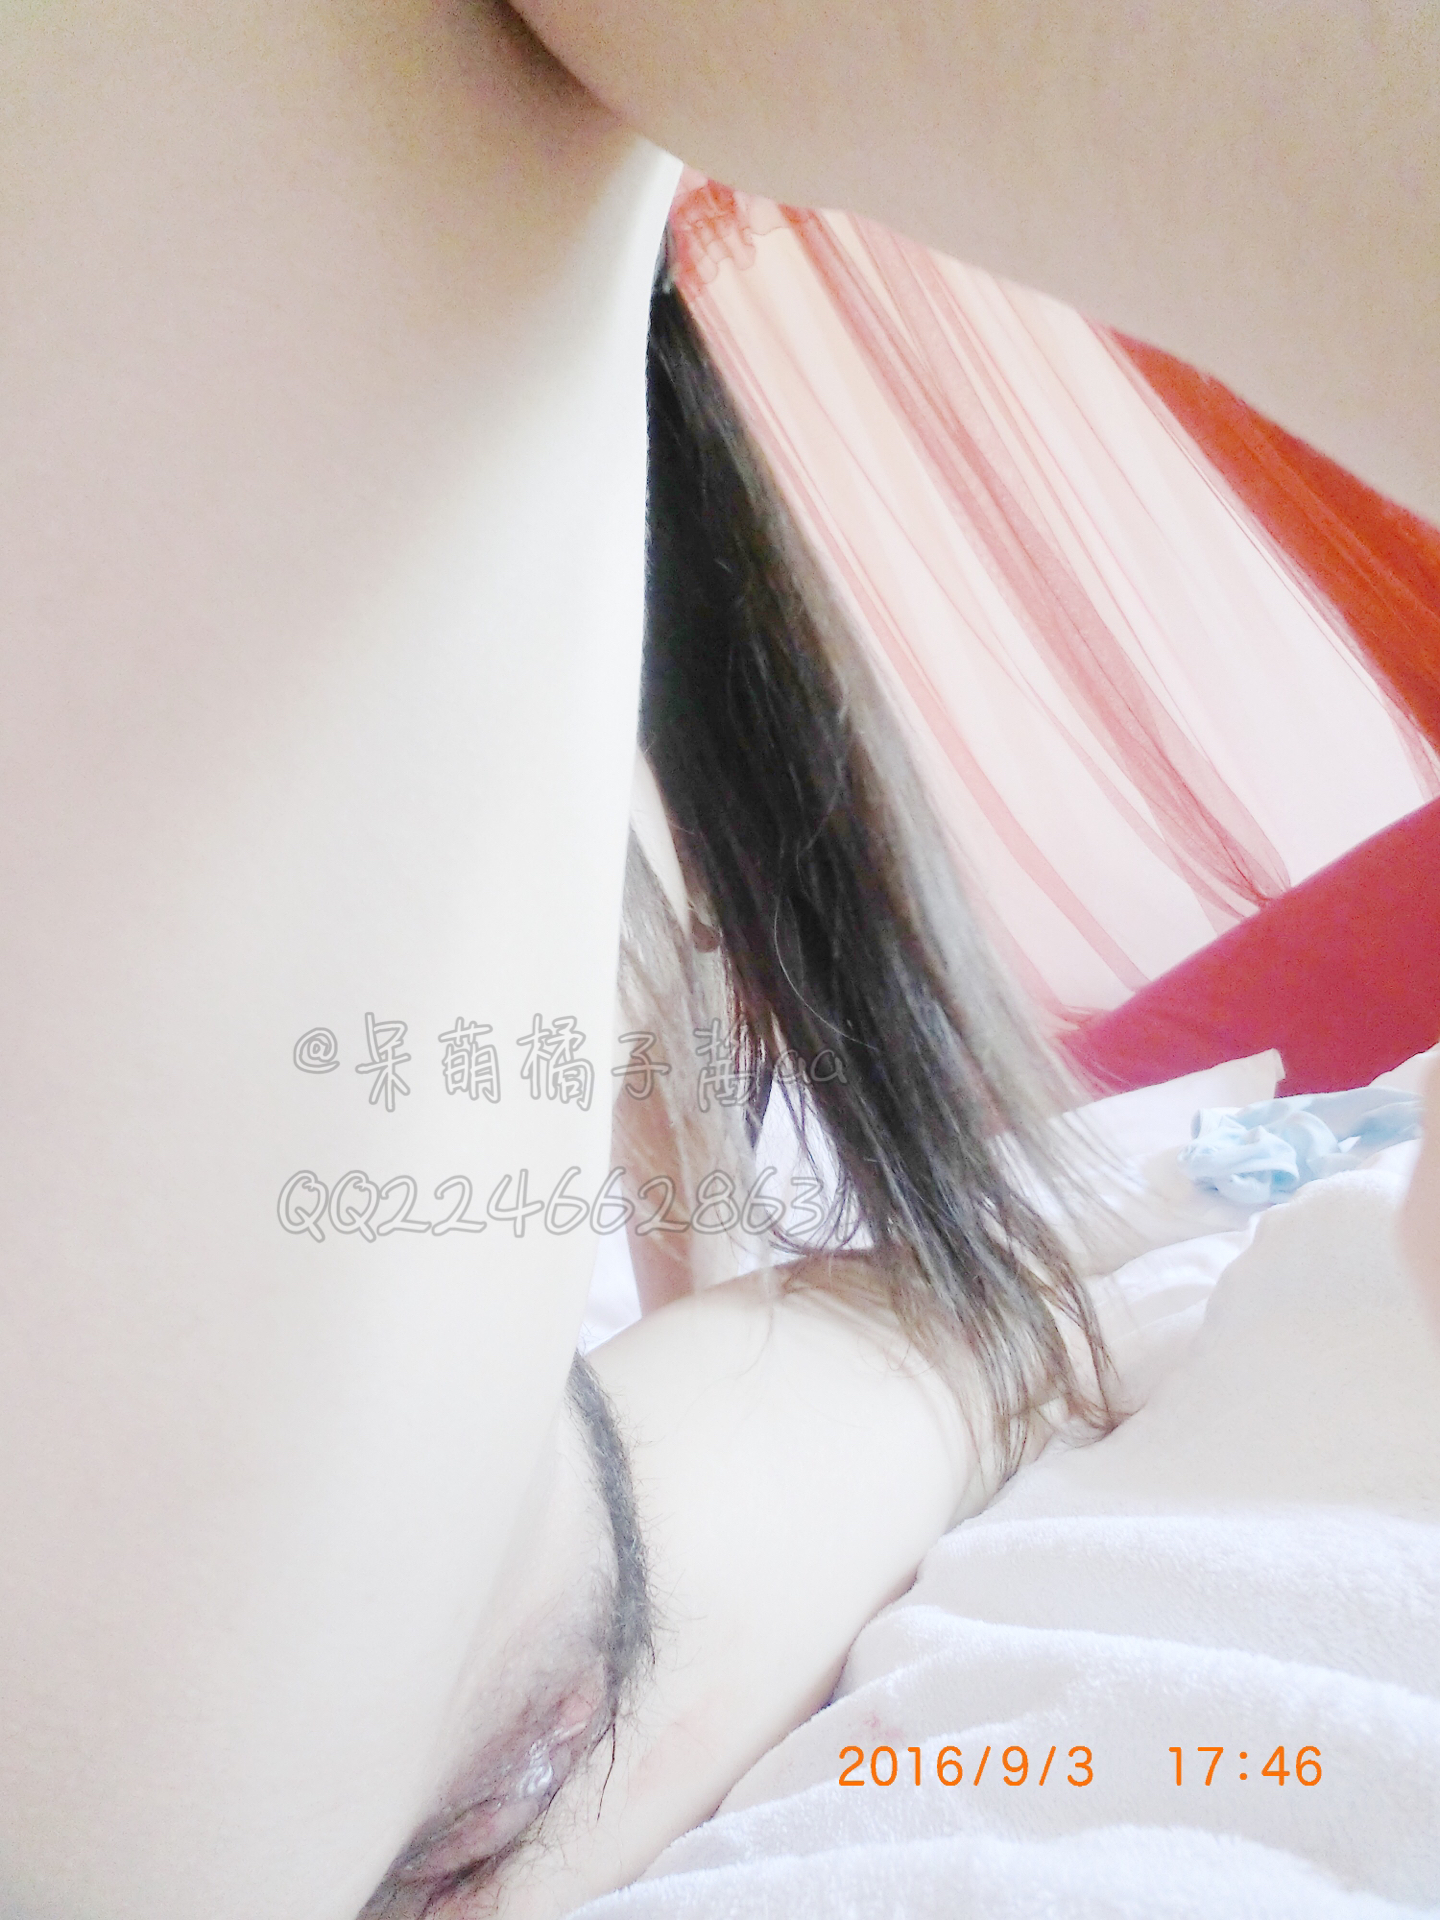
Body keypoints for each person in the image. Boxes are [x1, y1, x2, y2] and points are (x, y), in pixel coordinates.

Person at [0, 3, 1434, 1916]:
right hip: (501, 1666)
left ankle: (1133, 1211)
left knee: (965, 1325)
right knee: (956, 1322)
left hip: (537, 1647)